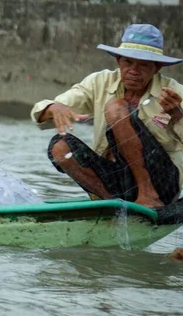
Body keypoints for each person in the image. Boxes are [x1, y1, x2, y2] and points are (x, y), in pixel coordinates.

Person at [31, 24, 183, 208]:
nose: (134, 70)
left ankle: (148, 195)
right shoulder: (99, 82)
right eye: (128, 62)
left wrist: (176, 115)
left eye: (143, 65)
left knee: (116, 108)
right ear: (118, 61)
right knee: (60, 147)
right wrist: (53, 107)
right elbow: (49, 110)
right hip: (117, 180)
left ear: (156, 68)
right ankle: (110, 204)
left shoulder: (174, 92)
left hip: (163, 184)